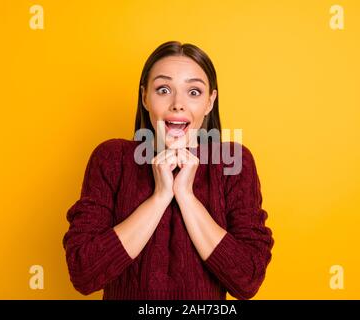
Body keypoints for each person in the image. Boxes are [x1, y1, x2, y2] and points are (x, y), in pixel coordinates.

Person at [62, 41, 274, 300]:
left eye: (194, 92)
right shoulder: (111, 158)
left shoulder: (233, 161)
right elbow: (84, 274)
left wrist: (186, 196)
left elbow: (247, 280)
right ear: (144, 97)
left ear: (210, 102)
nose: (178, 104)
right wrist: (160, 196)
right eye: (163, 89)